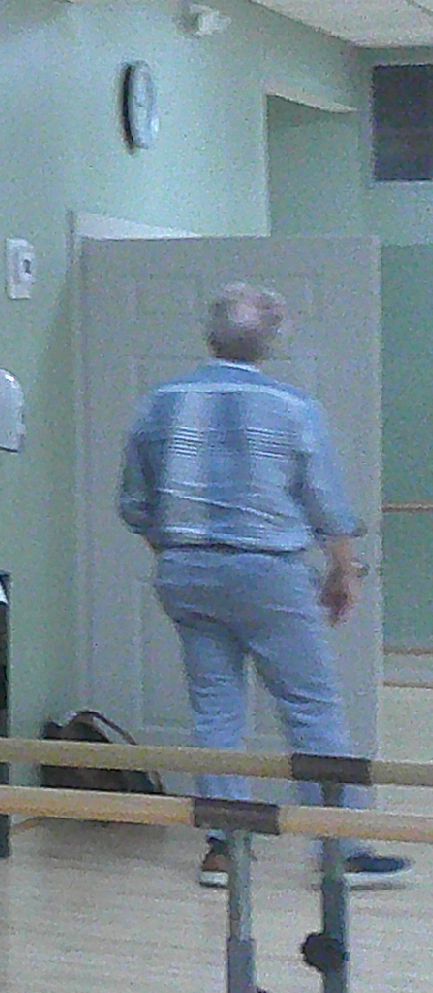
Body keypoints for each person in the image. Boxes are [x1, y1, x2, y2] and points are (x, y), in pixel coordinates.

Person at [115, 282, 403, 885]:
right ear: (269, 343)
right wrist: (343, 571)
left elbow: (137, 505)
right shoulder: (292, 407)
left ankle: (225, 848)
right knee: (311, 706)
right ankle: (341, 848)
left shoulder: (160, 404)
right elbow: (324, 501)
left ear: (210, 336)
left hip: (186, 571)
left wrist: (181, 551)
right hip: (268, 572)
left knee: (215, 712)